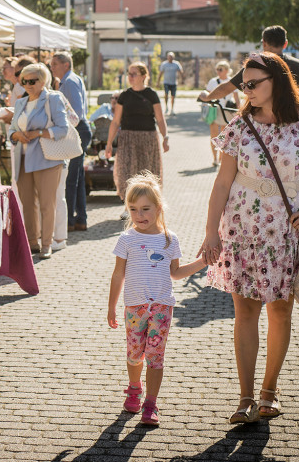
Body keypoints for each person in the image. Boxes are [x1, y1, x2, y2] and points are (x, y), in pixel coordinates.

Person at [199, 52, 299, 424]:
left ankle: (270, 390)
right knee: (245, 311)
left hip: (286, 232)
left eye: (251, 84)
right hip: (243, 230)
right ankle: (245, 396)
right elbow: (222, 182)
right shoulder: (240, 125)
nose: (245, 90)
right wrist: (210, 231)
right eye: (243, 84)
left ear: (276, 81)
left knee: (280, 311)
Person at [107, 171, 207, 426]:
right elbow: (118, 275)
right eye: (133, 209)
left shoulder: (169, 240)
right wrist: (111, 307)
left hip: (162, 307)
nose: (139, 216)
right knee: (134, 354)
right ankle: (134, 388)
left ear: (159, 208)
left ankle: (150, 403)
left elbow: (176, 273)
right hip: (134, 307)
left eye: (145, 209)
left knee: (155, 355)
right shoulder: (127, 239)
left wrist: (202, 262)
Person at [9, 63, 69, 259]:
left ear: (43, 81)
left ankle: (46, 244)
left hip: (47, 159)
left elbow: (63, 128)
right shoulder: (20, 103)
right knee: (27, 203)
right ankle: (31, 243)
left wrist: (39, 133)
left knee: (47, 204)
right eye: (24, 81)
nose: (27, 84)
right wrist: (17, 135)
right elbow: (11, 131)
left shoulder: (53, 98)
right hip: (23, 159)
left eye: (32, 81)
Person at [198, 26, 299, 107]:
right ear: (285, 44)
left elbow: (227, 88)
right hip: (293, 126)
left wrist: (207, 97)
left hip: (262, 127)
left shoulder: (256, 65)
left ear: (264, 43)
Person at [108, 62, 169, 200]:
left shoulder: (151, 94)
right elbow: (116, 121)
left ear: (143, 76)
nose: (130, 77)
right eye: (129, 74)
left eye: (134, 74)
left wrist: (165, 137)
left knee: (147, 172)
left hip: (148, 139)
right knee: (126, 171)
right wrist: (109, 143)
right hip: (127, 138)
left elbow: (160, 119)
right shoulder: (124, 95)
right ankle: (128, 205)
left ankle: (149, 204)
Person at [49, 52, 91, 238]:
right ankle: (80, 219)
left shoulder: (70, 82)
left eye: (55, 64)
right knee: (78, 177)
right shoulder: (70, 80)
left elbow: (77, 113)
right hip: (81, 129)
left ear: (66, 64)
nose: (52, 68)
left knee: (71, 178)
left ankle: (71, 220)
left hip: (78, 130)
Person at [203, 61, 240, 167]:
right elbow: (207, 95)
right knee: (213, 135)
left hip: (227, 111)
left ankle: (221, 158)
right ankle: (215, 159)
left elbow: (236, 97)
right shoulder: (212, 81)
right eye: (217, 69)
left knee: (224, 137)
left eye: (221, 69)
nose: (218, 71)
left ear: (227, 71)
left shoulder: (231, 81)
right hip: (214, 110)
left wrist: (239, 110)